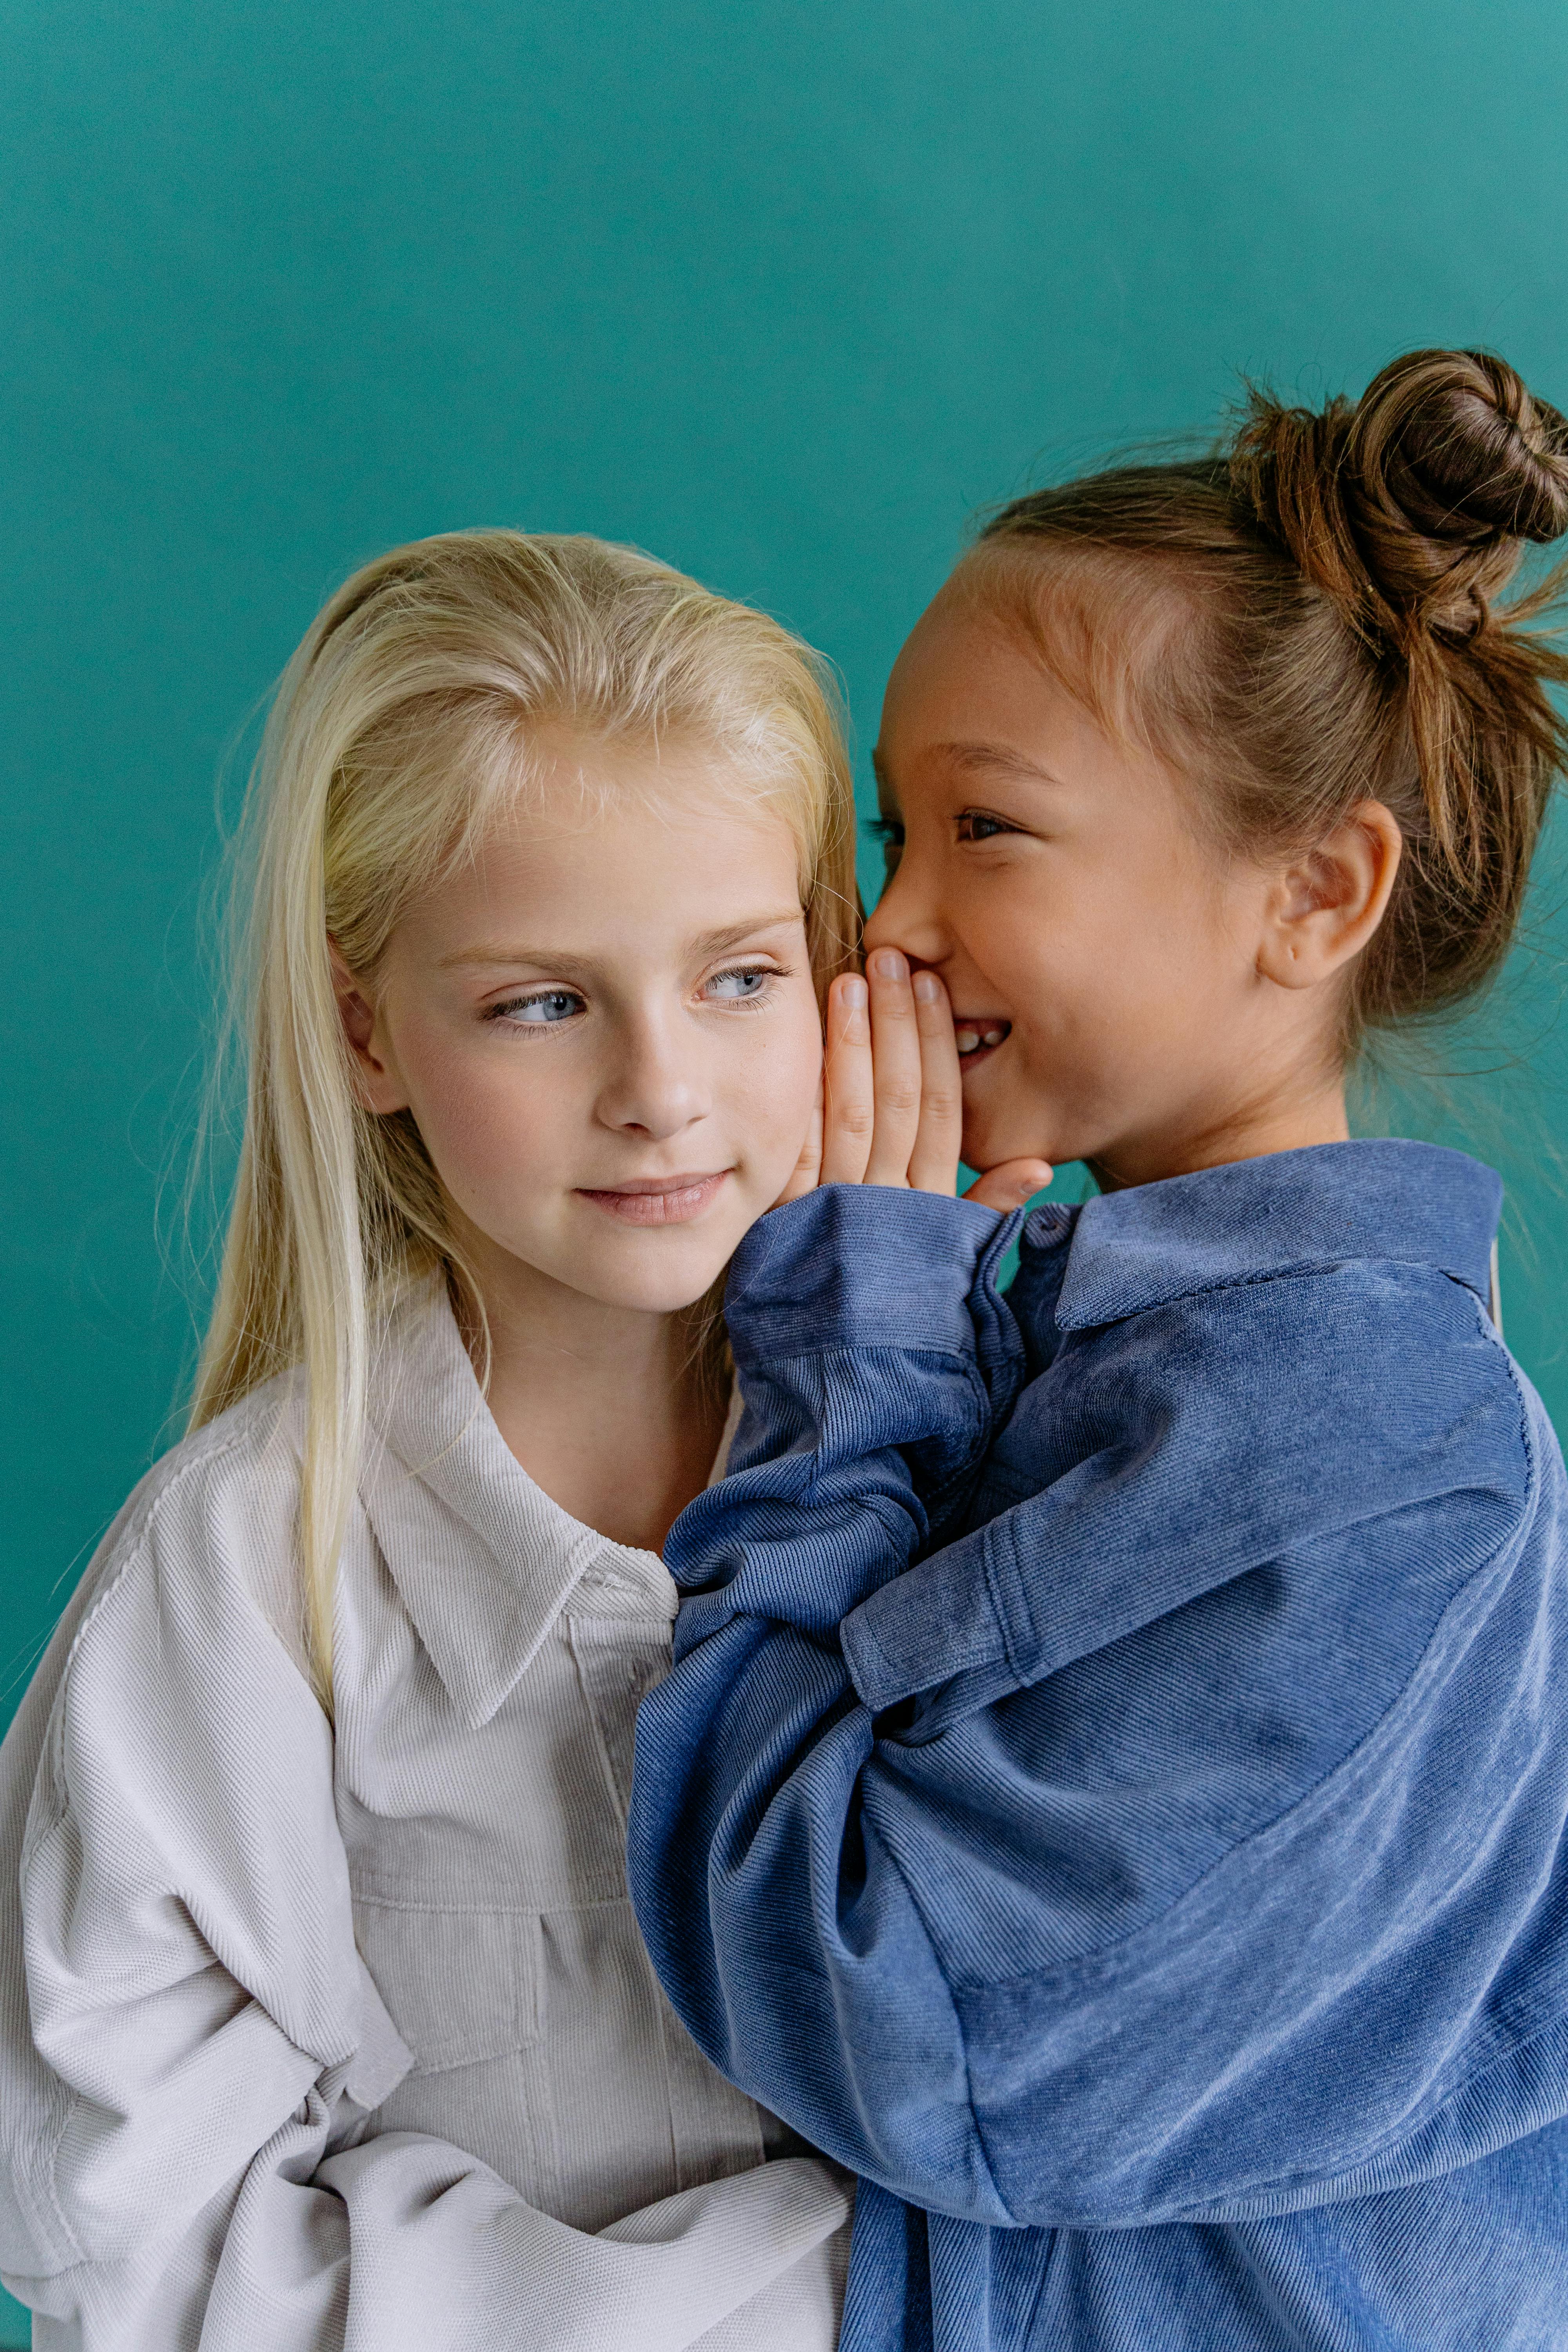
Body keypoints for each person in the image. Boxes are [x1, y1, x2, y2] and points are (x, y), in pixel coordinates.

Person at [626, 349, 1568, 2349]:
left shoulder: (1391, 1452)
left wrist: (849, 1370)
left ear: (1314, 890)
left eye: (989, 831)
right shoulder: (1089, 1346)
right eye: (894, 834)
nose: (886, 929)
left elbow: (901, 2024)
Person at [0, 529, 872, 2350]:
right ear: (364, 1032)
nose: (658, 1087)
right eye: (541, 1003)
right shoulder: (244, 1579)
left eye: (738, 976)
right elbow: (137, 2249)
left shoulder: (1006, 1476)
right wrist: (852, 2295)